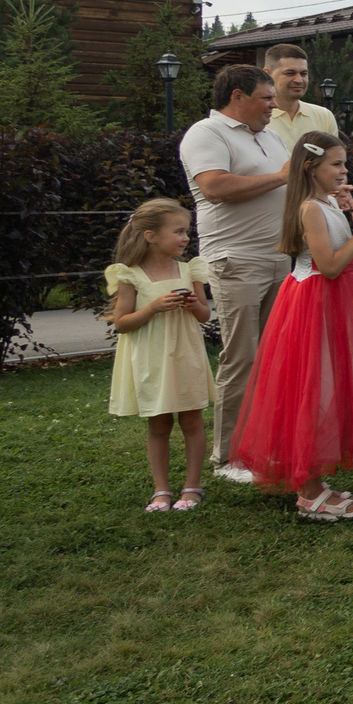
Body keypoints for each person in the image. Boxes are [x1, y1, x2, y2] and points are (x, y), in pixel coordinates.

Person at [230, 133, 353, 521]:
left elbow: (343, 251)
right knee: (310, 386)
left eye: (344, 163)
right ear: (311, 168)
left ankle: (316, 477)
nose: (344, 171)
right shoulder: (309, 208)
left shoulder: (327, 203)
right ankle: (307, 489)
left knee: (330, 384)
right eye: (336, 165)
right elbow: (330, 265)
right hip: (313, 303)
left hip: (335, 301)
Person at [179, 64, 290, 484]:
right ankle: (229, 457)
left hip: (280, 257)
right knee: (242, 356)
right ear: (237, 96)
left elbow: (287, 184)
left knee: (276, 356)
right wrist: (281, 176)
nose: (273, 105)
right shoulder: (206, 134)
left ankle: (266, 443)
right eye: (266, 98)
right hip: (235, 259)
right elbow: (214, 187)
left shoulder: (271, 136)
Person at [103, 198, 215, 513]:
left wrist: (193, 304)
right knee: (159, 423)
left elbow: (204, 315)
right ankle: (161, 489)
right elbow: (122, 323)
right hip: (152, 360)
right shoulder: (130, 275)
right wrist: (153, 307)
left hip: (185, 356)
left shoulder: (189, 269)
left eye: (187, 231)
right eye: (178, 231)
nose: (185, 238)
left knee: (192, 419)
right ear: (151, 236)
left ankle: (192, 486)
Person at [262, 43, 339, 149]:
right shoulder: (254, 118)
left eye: (303, 74)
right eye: (290, 73)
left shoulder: (324, 117)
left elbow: (333, 162)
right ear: (267, 74)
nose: (299, 80)